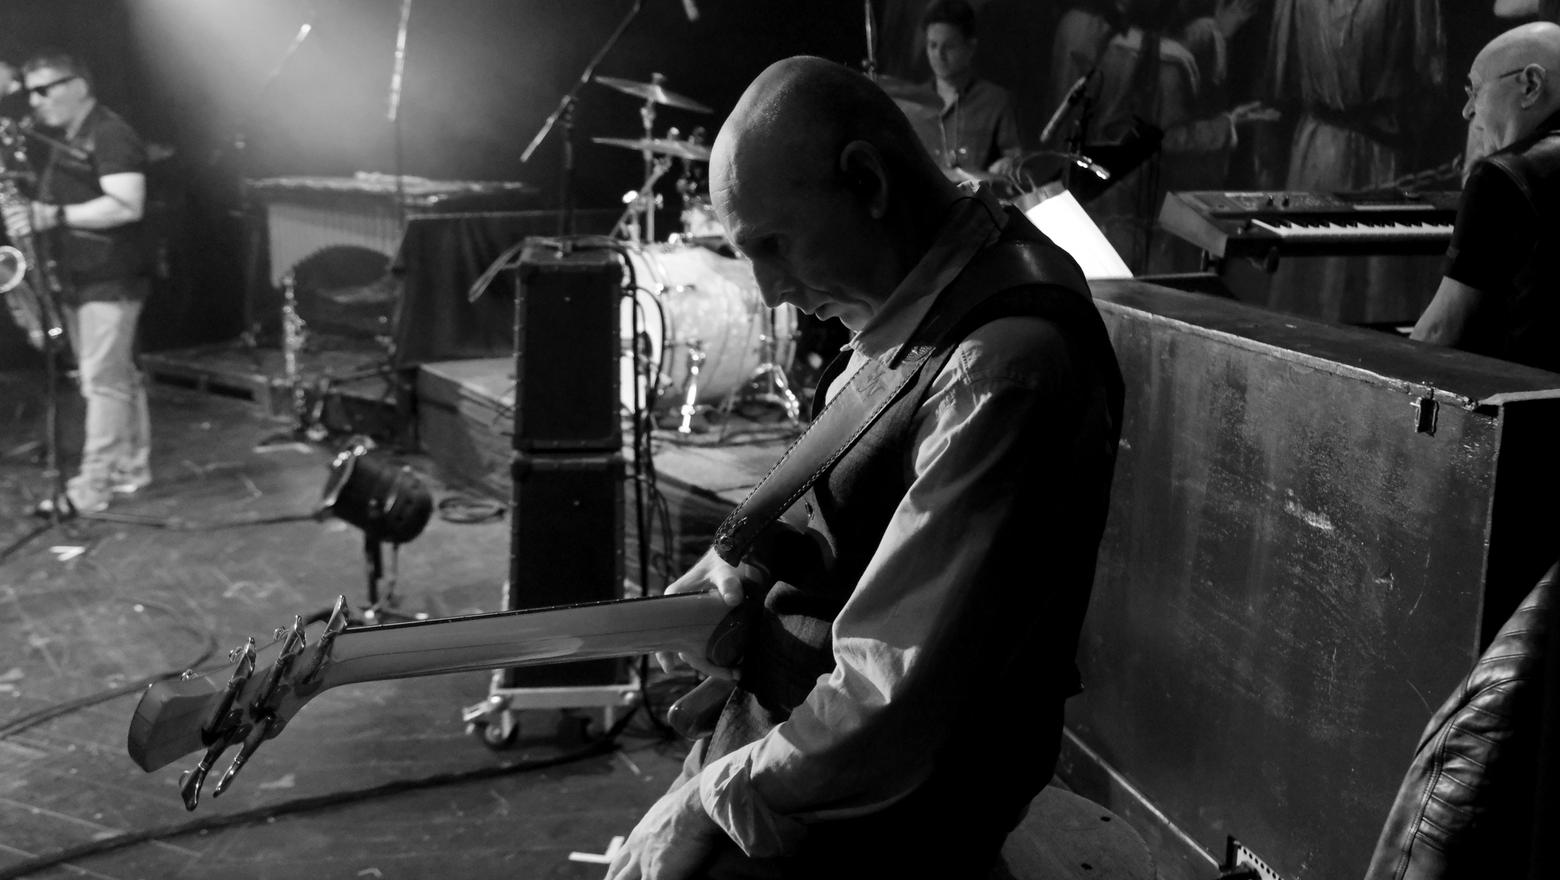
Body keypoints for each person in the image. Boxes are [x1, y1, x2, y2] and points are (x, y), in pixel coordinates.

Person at [607, 56, 1124, 879]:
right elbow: (856, 467)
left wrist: (708, 798)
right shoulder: (930, 284)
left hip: (890, 810)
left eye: (773, 245)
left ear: (868, 182)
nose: (768, 291)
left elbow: (890, 702)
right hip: (816, 741)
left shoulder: (1000, 366)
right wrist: (740, 571)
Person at [23, 52, 152, 515]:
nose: (35, 101)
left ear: (78, 85)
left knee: (102, 382)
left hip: (110, 274)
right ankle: (130, 468)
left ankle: (92, 486)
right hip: (83, 273)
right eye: (30, 92)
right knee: (116, 377)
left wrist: (53, 215)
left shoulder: (110, 133)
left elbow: (127, 204)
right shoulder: (68, 139)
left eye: (45, 89)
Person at [1410, 21, 1560, 372]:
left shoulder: (1503, 176)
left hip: (1524, 397)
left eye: (1475, 90)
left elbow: (1440, 330)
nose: (1467, 110)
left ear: (1531, 85)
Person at [906, 0, 1024, 183]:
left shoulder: (995, 101)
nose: (939, 55)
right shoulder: (911, 104)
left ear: (970, 48)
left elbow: (1016, 167)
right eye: (932, 45)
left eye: (949, 47)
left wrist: (1008, 164)